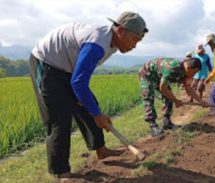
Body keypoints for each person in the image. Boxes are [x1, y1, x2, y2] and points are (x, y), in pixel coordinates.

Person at [28, 11, 148, 179]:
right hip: (47, 64)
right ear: (120, 31)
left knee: (89, 105)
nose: (134, 45)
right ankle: (62, 171)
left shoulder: (113, 42)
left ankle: (101, 150)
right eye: (134, 39)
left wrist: (95, 112)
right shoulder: (97, 43)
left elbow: (79, 81)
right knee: (59, 118)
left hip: (68, 68)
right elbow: (78, 82)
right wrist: (98, 115)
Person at [138, 57, 209, 137]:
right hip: (147, 75)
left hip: (160, 77)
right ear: (189, 68)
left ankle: (167, 122)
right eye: (194, 72)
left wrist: (201, 101)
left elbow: (188, 88)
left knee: (169, 96)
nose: (194, 75)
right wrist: (176, 100)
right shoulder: (172, 68)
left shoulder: (187, 73)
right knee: (148, 97)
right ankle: (153, 126)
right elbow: (163, 88)